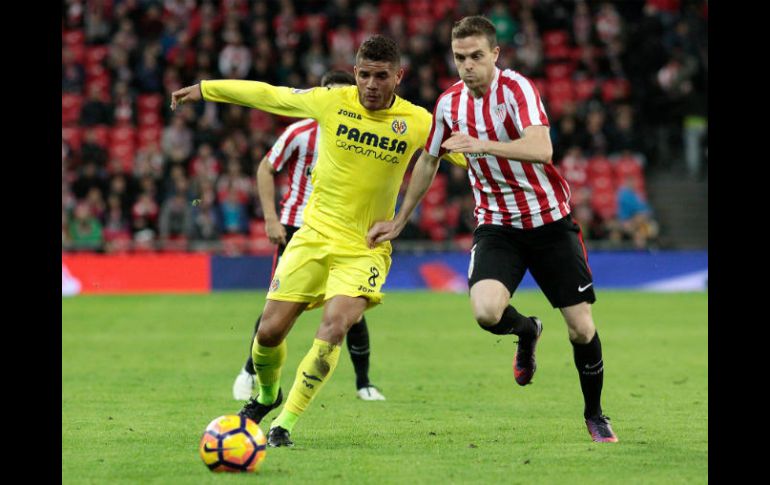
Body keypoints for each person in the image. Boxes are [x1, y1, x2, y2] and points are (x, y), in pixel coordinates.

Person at [171, 35, 465, 447]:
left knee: (334, 327)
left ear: (398, 76)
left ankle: (284, 423)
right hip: (312, 237)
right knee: (268, 333)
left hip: (363, 248)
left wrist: (505, 152)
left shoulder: (418, 121)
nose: (371, 85)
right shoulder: (331, 101)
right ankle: (267, 396)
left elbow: (467, 154)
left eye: (381, 76)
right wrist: (207, 89)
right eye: (365, 75)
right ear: (355, 72)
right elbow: (269, 95)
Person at [367, 16, 618, 443]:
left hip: (549, 223)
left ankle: (594, 414)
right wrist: (400, 219)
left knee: (581, 328)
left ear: (495, 54)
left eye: (476, 56)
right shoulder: (449, 104)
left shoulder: (517, 89)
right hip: (498, 226)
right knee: (485, 311)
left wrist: (482, 144)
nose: (467, 65)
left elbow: (542, 148)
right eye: (460, 57)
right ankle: (528, 330)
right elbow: (428, 159)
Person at [232, 70, 386, 403]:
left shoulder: (363, 136)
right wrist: (271, 219)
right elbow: (265, 168)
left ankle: (364, 383)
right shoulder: (299, 133)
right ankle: (249, 371)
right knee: (279, 309)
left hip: (344, 231)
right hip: (298, 228)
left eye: (343, 93)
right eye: (330, 92)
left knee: (350, 310)